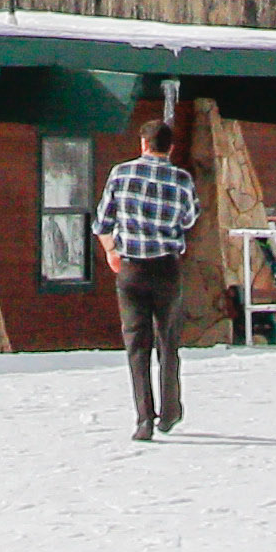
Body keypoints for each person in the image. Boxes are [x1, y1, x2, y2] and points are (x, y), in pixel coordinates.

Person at [93, 122, 201, 440]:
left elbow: (102, 221)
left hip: (131, 269)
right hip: (167, 267)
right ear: (170, 147)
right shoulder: (181, 179)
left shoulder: (120, 174)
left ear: (143, 143)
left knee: (136, 345)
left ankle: (144, 419)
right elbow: (190, 217)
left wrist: (113, 252)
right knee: (168, 341)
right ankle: (169, 411)